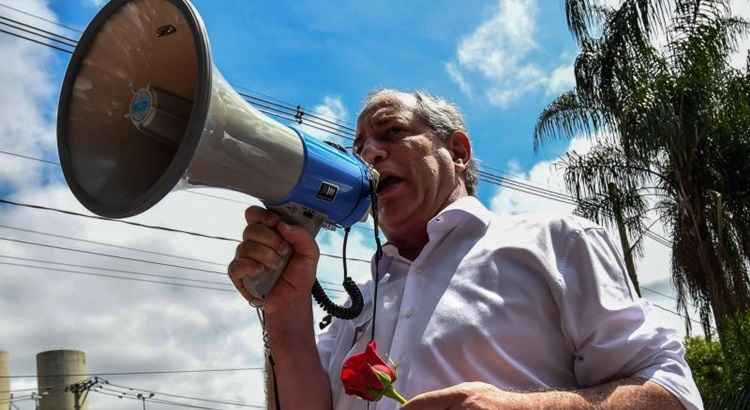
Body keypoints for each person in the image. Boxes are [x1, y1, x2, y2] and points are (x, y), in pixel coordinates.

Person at [228, 89, 703, 410]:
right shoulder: (358, 304)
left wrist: (523, 408)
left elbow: (673, 395)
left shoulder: (555, 240)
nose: (369, 154)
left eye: (391, 132)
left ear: (457, 150)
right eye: (360, 147)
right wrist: (285, 315)